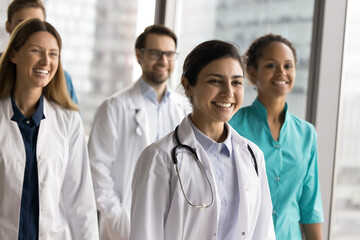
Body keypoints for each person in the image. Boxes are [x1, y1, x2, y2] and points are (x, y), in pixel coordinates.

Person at [130, 40, 275, 240]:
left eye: (236, 82)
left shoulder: (252, 156)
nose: (229, 92)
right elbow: (145, 235)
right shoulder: (159, 158)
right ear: (188, 85)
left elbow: (264, 232)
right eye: (216, 81)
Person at [88, 24, 189, 240]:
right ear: (139, 55)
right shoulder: (114, 107)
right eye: (155, 53)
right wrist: (119, 219)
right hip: (124, 225)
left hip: (172, 223)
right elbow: (97, 171)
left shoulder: (185, 110)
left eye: (170, 54)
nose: (163, 61)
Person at [0, 18, 98, 239]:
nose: (46, 61)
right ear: (13, 55)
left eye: (53, 54)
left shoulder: (69, 121)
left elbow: (80, 203)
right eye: (36, 51)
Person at [229, 33, 324, 239]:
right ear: (253, 73)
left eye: (288, 66)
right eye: (271, 65)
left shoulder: (307, 134)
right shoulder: (231, 127)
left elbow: (310, 205)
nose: (281, 72)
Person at [4, 0, 79, 105]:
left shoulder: (62, 79)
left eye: (36, 23)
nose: (30, 30)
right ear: (8, 26)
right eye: (21, 23)